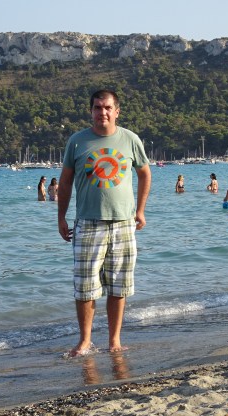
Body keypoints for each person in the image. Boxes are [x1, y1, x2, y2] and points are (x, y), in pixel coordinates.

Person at [58, 89, 152, 357]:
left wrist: (140, 210)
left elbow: (145, 174)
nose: (103, 112)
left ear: (117, 111)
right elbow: (65, 182)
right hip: (88, 223)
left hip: (123, 223)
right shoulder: (77, 141)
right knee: (85, 288)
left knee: (119, 286)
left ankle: (114, 340)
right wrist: (61, 217)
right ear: (91, 111)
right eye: (98, 108)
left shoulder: (130, 139)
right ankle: (85, 341)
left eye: (108, 108)